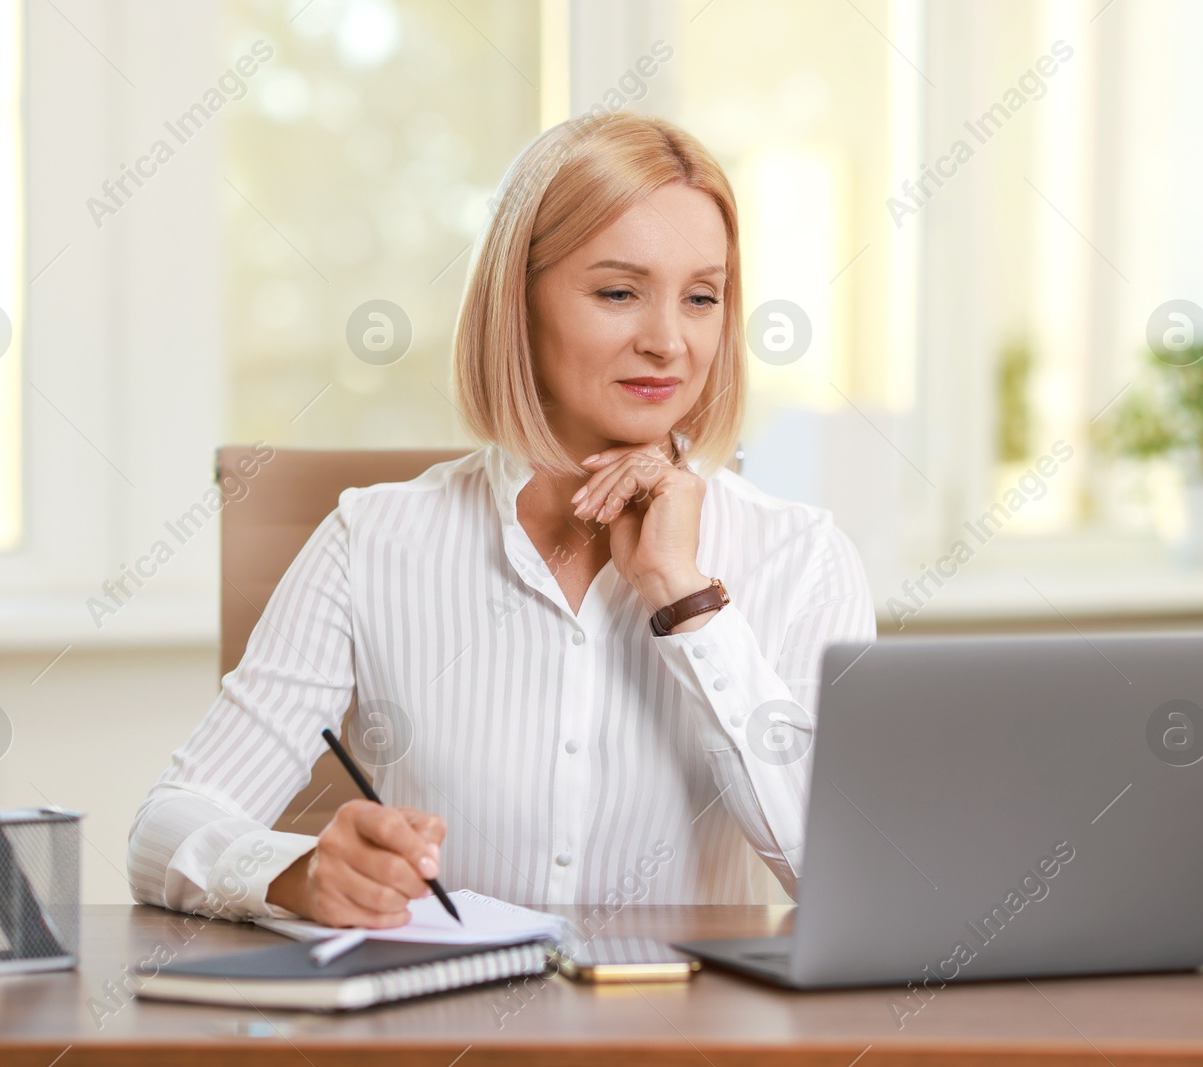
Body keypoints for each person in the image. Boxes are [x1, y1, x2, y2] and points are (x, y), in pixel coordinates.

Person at [127, 110, 875, 928]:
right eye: (619, 292)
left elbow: (850, 879)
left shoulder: (803, 556)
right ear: (519, 300)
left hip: (687, 1039)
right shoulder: (371, 540)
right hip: (449, 1039)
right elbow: (167, 826)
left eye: (701, 297)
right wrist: (297, 872)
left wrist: (684, 597)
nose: (668, 341)